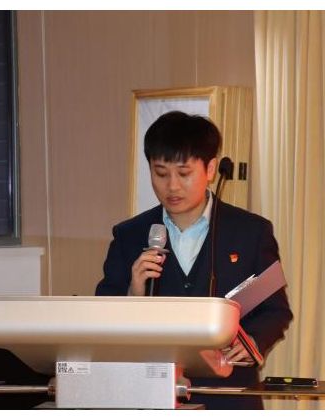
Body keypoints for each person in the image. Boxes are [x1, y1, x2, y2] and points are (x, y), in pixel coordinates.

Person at [96, 111, 294, 410]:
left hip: (229, 394)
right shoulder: (130, 235)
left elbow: (276, 310)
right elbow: (102, 316)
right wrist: (133, 293)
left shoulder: (251, 232)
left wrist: (253, 341)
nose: (172, 186)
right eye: (161, 173)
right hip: (152, 395)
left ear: (210, 168)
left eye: (184, 173)